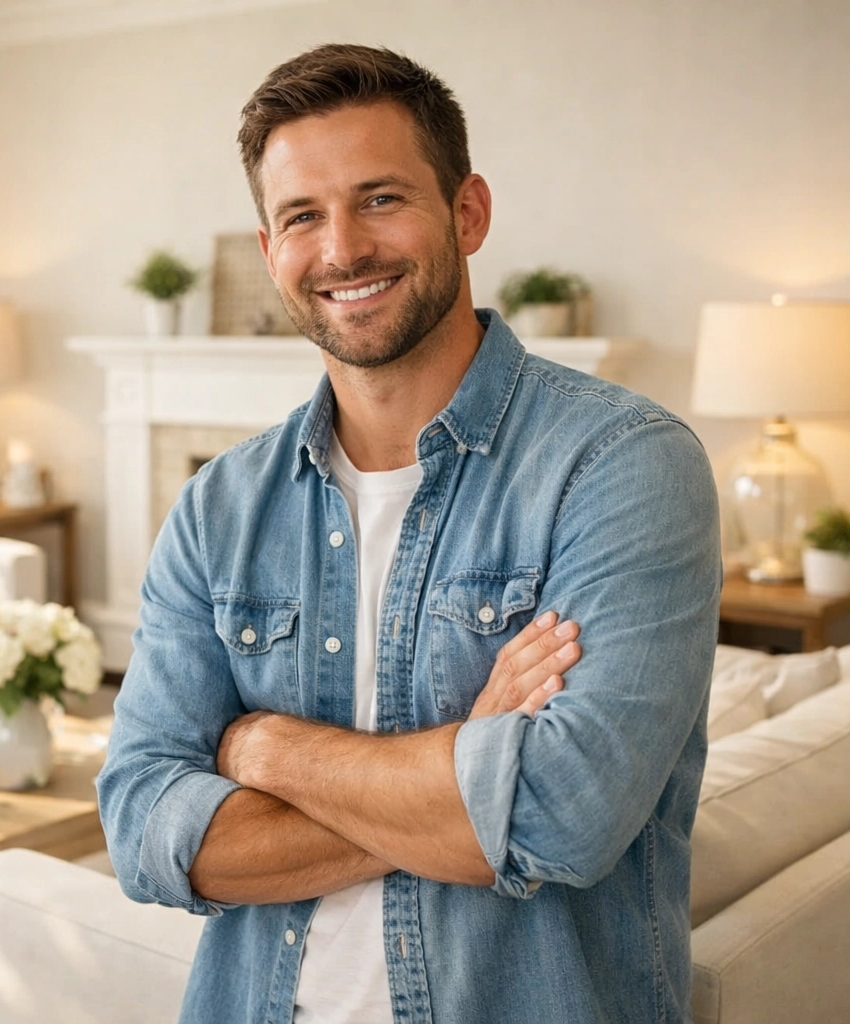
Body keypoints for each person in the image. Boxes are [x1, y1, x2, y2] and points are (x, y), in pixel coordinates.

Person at [96, 43, 721, 1024]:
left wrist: (264, 749)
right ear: (271, 252)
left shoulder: (624, 464)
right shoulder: (219, 506)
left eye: (381, 198)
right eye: (302, 215)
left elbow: (565, 814)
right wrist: (470, 759)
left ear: (467, 212)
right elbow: (141, 831)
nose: (342, 249)